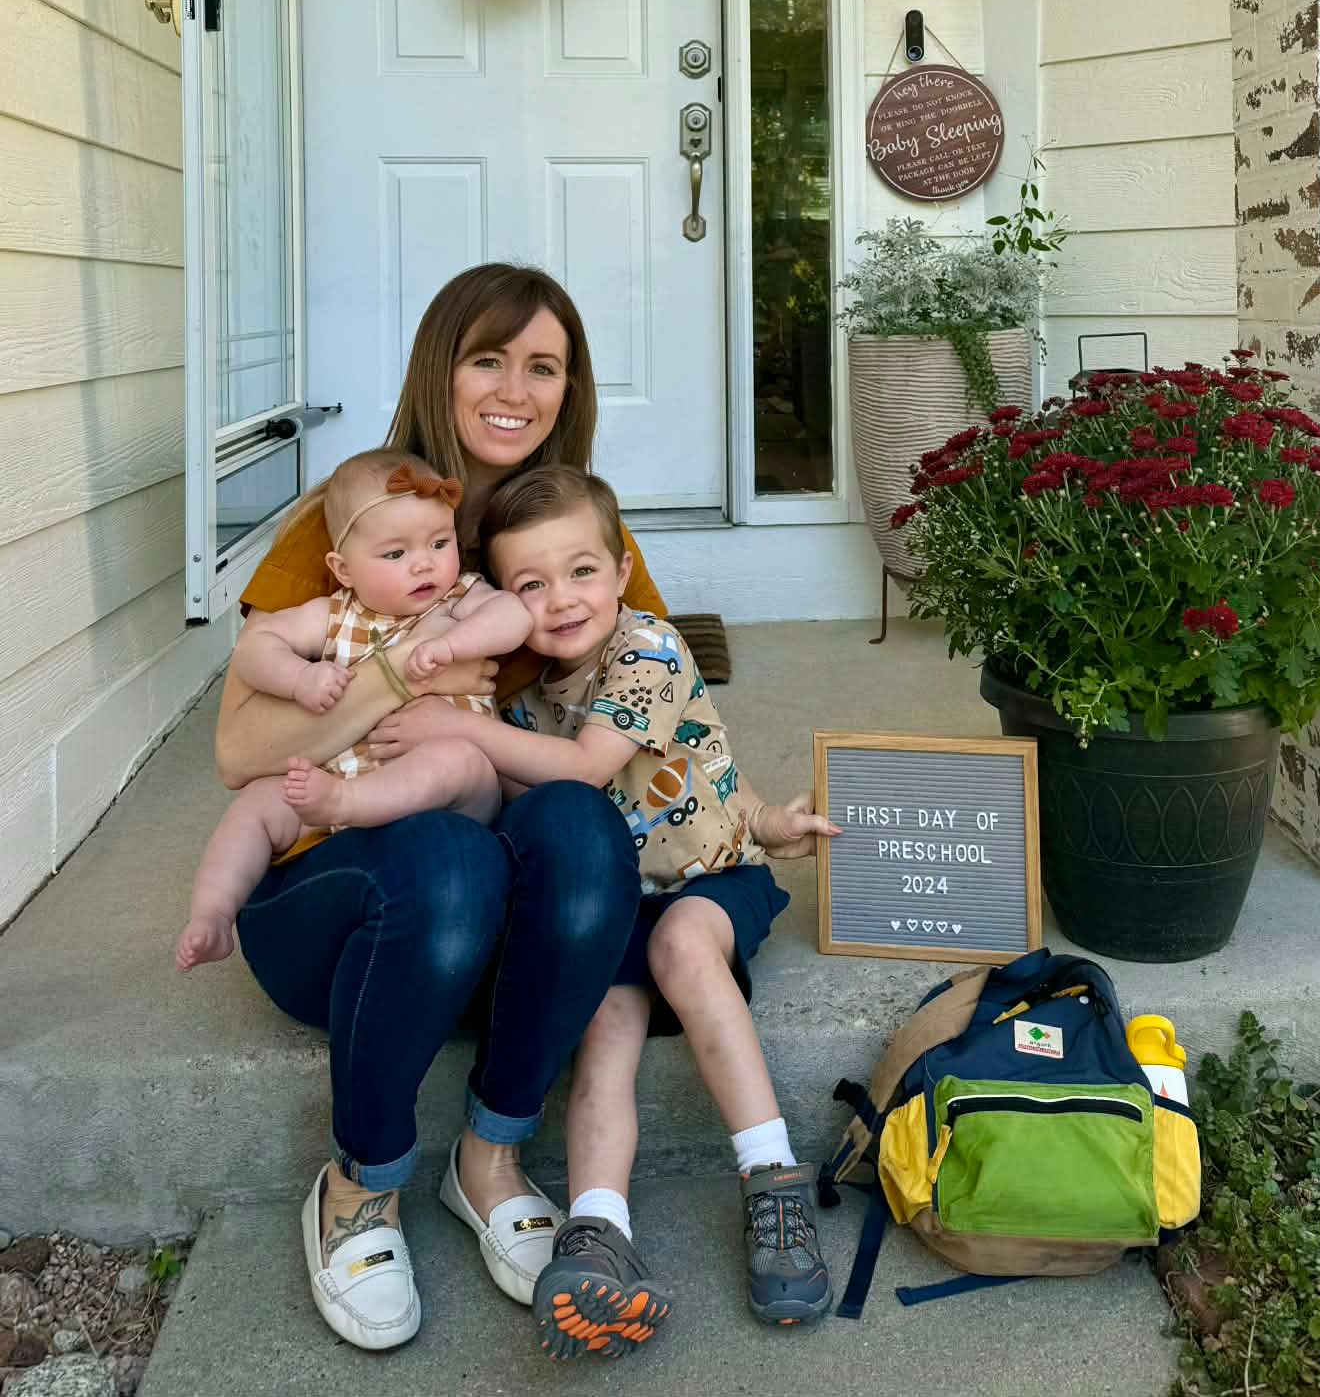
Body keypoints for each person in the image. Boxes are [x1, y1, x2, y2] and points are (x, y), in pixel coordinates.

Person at [218, 266, 665, 1351]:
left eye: (542, 366)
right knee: (448, 859)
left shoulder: (577, 534)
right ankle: (358, 1185)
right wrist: (400, 671)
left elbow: (650, 713)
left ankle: (490, 1158)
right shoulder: (348, 517)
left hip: (509, 942)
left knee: (580, 825)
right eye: (487, 359)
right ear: (440, 370)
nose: (515, 389)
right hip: (347, 910)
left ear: (570, 389)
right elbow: (238, 752)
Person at [370, 465, 840, 1358]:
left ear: (623, 569)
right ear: (500, 600)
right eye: (529, 584)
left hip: (708, 879)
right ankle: (597, 1234)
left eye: (582, 570)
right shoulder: (519, 702)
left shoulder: (648, 646)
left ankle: (771, 1179)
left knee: (683, 950)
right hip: (618, 905)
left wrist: (767, 826)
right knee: (604, 1023)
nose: (561, 599)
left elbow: (599, 767)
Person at [175, 450, 530, 974]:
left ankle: (348, 804)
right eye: (395, 553)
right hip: (343, 777)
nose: (424, 564)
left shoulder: (459, 598)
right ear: (343, 569)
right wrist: (299, 678)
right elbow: (254, 649)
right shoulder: (334, 614)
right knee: (258, 803)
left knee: (458, 760)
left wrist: (452, 645)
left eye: (440, 543)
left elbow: (514, 615)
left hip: (446, 800)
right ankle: (213, 914)